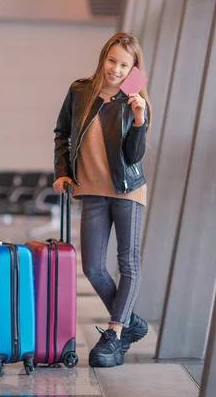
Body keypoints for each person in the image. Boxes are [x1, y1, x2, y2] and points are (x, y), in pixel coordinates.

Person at [53, 32, 151, 368]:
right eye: (112, 60)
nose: (116, 69)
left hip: (127, 190)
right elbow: (62, 134)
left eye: (124, 65)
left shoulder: (134, 101)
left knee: (128, 263)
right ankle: (129, 323)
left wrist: (139, 120)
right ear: (103, 58)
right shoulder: (80, 90)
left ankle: (114, 332)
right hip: (91, 190)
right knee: (93, 267)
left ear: (132, 68)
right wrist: (62, 170)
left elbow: (133, 154)